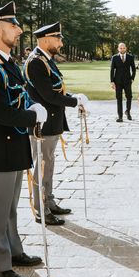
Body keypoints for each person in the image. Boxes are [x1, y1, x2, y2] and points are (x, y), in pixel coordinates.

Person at [0, 1, 47, 277]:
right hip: (0, 149)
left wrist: (33, 109)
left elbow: (21, 98)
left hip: (15, 146)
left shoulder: (9, 64)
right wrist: (32, 115)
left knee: (10, 208)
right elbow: (2, 113)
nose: (19, 30)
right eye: (14, 26)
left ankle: (13, 251)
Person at [23, 22, 89, 225]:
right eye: (57, 38)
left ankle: (49, 201)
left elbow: (57, 89)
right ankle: (40, 208)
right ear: (45, 39)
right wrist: (73, 101)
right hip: (42, 124)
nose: (61, 42)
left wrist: (73, 97)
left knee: (48, 164)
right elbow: (48, 95)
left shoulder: (46, 60)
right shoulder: (36, 62)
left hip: (51, 123)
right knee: (41, 166)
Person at [110, 42, 136, 122]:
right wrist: (112, 81)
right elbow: (112, 70)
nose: (122, 49)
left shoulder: (130, 57)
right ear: (118, 49)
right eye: (120, 48)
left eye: (123, 48)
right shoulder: (114, 57)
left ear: (126, 48)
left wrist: (132, 78)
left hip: (128, 81)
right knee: (119, 98)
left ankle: (128, 112)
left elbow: (134, 69)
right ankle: (120, 116)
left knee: (129, 97)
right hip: (117, 81)